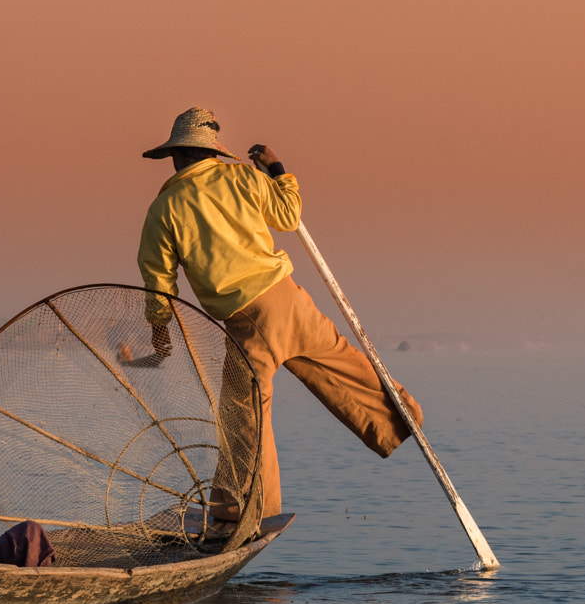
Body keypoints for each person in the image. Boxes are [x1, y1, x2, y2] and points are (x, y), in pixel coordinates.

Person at [137, 105, 423, 533]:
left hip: (245, 320)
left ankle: (246, 511)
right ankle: (401, 419)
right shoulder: (245, 179)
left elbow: (159, 282)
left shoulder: (165, 209)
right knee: (339, 362)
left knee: (244, 416)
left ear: (177, 156)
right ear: (213, 152)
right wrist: (278, 170)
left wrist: (161, 331)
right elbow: (289, 216)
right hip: (290, 300)